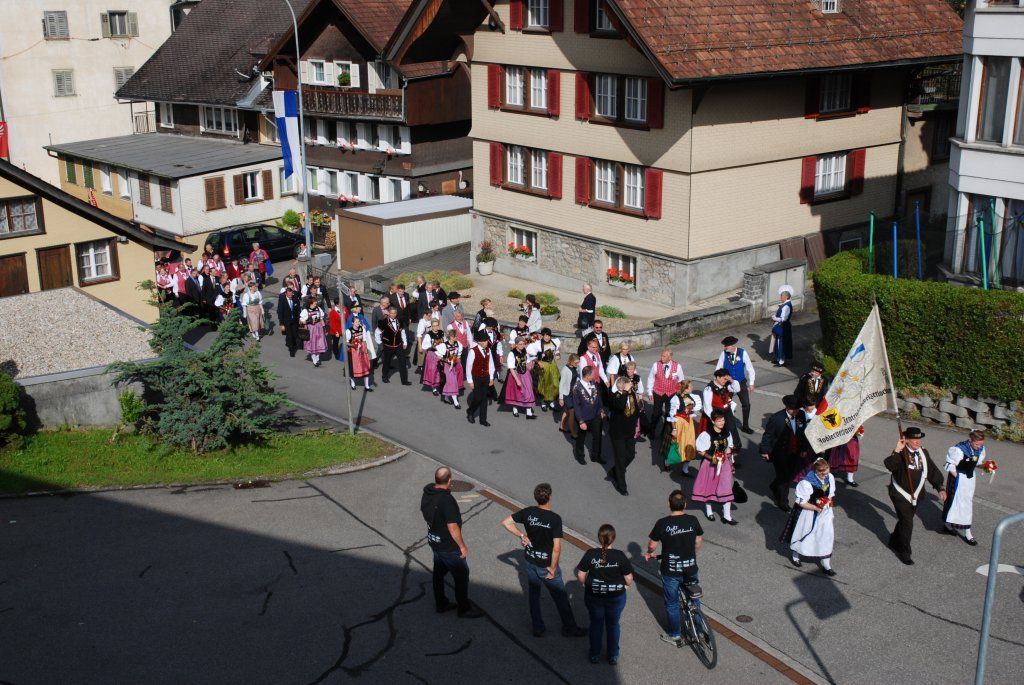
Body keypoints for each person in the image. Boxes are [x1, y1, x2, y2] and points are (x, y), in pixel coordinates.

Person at [500, 483, 587, 639]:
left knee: (534, 594)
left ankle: (538, 627)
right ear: (550, 497)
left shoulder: (528, 512)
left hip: (530, 561)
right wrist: (553, 568)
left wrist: (521, 535)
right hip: (546, 565)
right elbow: (557, 547)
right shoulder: (554, 519)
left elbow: (506, 522)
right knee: (560, 596)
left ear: (536, 497)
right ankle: (569, 627)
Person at [420, 466, 484, 618]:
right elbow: (453, 527)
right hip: (448, 546)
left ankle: (441, 603)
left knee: (439, 573)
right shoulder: (446, 500)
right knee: (462, 575)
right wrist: (462, 546)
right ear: (449, 481)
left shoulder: (428, 493)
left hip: (434, 541)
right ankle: (464, 609)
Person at [645, 490, 704, 644]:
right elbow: (698, 541)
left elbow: (652, 545)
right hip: (690, 567)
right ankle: (699, 629)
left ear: (668, 504)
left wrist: (649, 552)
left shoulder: (663, 523)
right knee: (694, 598)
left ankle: (675, 635)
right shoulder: (692, 520)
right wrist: (692, 554)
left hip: (670, 570)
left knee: (672, 603)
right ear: (685, 504)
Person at [884, 427, 947, 565]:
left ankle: (894, 540)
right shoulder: (900, 453)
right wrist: (896, 450)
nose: (918, 442)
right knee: (908, 523)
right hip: (900, 495)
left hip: (917, 494)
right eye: (914, 439)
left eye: (919, 439)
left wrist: (940, 487)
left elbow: (932, 470)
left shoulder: (923, 452)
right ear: (906, 440)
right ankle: (904, 552)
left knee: (904, 521)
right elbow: (889, 465)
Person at [575, 524, 633, 665]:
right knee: (613, 625)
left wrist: (584, 584)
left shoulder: (590, 554)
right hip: (616, 597)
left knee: (596, 624)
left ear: (599, 538)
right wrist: (625, 587)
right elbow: (629, 578)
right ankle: (612, 655)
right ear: (613, 538)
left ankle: (594, 654)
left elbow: (580, 573)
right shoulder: (620, 556)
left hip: (594, 596)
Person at [782, 457, 837, 576]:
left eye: (827, 472)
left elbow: (830, 495)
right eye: (823, 474)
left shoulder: (830, 477)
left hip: (825, 513)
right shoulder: (806, 483)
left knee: (826, 536)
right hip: (808, 513)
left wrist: (828, 508)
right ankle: (796, 555)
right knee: (804, 534)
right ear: (816, 471)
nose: (826, 476)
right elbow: (801, 502)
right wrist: (817, 508)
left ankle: (826, 564)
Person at [760, 395, 809, 511]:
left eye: (797, 408)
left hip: (795, 451)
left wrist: (803, 449)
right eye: (793, 408)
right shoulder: (776, 418)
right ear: (787, 407)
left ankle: (774, 485)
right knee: (784, 479)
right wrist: (765, 451)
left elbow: (802, 434)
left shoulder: (801, 415)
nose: (795, 411)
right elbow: (768, 436)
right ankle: (783, 502)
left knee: (790, 475)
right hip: (780, 453)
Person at [692, 409, 737, 524]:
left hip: (725, 463)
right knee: (710, 487)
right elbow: (700, 451)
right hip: (710, 464)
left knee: (726, 486)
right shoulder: (706, 434)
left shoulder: (727, 432)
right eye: (719, 421)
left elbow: (729, 448)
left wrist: (731, 460)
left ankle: (727, 515)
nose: (722, 422)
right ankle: (709, 511)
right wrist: (712, 458)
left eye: (723, 420)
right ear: (713, 421)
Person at [942, 430, 986, 546]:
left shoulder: (980, 449)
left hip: (970, 479)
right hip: (958, 478)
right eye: (977, 444)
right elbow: (949, 464)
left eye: (981, 444)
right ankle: (949, 525)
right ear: (970, 440)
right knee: (954, 502)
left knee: (967, 503)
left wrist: (986, 466)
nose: (979, 447)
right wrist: (958, 477)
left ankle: (967, 531)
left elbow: (976, 463)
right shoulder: (959, 449)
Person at [607, 377, 640, 495]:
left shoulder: (630, 395)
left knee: (630, 455)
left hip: (629, 431)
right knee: (620, 459)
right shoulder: (614, 396)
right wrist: (625, 392)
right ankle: (622, 486)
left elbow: (635, 411)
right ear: (622, 386)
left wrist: (636, 426)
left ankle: (615, 471)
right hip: (618, 433)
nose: (631, 387)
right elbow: (620, 406)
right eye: (628, 385)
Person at [716, 336, 756, 434]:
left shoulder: (743, 352)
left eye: (726, 346)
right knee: (724, 405)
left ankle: (745, 426)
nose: (725, 348)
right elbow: (718, 369)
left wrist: (751, 383)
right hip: (728, 384)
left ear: (732, 346)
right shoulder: (723, 354)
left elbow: (750, 369)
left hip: (741, 383)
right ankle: (722, 425)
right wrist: (719, 382)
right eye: (725, 346)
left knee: (746, 404)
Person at [661, 380, 702, 475]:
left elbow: (692, 409)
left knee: (690, 444)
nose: (692, 387)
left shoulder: (691, 396)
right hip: (679, 424)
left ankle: (685, 469)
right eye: (690, 386)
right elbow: (673, 415)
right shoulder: (675, 399)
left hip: (688, 423)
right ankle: (667, 461)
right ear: (685, 389)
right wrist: (674, 429)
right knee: (676, 445)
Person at [647, 348, 686, 440]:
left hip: (671, 394)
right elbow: (651, 378)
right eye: (661, 355)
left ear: (669, 357)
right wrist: (649, 392)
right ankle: (651, 431)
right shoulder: (656, 365)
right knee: (657, 413)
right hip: (658, 392)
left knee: (669, 414)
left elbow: (681, 381)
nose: (662, 358)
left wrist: (678, 393)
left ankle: (664, 433)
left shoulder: (677, 366)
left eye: (664, 356)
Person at [701, 369, 742, 452]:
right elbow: (707, 406)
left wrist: (731, 380)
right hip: (716, 414)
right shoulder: (709, 389)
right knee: (718, 435)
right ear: (718, 377)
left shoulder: (726, 385)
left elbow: (737, 389)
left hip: (727, 413)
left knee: (731, 431)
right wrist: (714, 419)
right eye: (724, 378)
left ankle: (731, 455)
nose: (725, 381)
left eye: (726, 379)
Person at [572, 366, 605, 464]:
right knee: (581, 438)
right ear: (587, 375)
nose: (594, 375)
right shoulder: (577, 388)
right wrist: (581, 421)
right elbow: (576, 406)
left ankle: (596, 456)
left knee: (597, 436)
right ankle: (580, 456)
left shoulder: (593, 383)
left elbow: (598, 398)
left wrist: (601, 410)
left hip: (595, 415)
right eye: (593, 374)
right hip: (583, 417)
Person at [465, 330, 495, 427]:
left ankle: (483, 420)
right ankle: (470, 411)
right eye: (486, 341)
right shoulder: (473, 351)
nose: (487, 342)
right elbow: (468, 367)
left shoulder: (488, 350)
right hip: (476, 377)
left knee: (484, 399)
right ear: (481, 342)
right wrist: (470, 381)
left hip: (485, 377)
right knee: (478, 398)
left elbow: (491, 365)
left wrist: (491, 378)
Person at [502, 336, 537, 419]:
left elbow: (527, 361)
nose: (522, 346)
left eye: (523, 344)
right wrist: (517, 380)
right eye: (520, 344)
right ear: (516, 345)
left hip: (525, 374)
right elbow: (511, 368)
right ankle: (515, 409)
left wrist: (534, 362)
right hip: (516, 375)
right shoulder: (512, 353)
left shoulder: (524, 351)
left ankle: (529, 413)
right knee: (516, 393)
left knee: (529, 392)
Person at [374, 306, 410, 384]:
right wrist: (380, 342)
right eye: (391, 313)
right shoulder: (383, 322)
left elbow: (402, 332)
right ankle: (385, 377)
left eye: (394, 313)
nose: (393, 315)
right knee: (387, 362)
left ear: (396, 313)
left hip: (398, 345)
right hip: (388, 346)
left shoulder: (400, 321)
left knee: (403, 362)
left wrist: (405, 342)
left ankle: (404, 381)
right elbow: (377, 332)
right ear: (389, 313)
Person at [528, 328, 561, 411]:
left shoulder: (554, 342)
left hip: (552, 365)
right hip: (543, 366)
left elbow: (556, 350)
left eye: (548, 335)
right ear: (542, 336)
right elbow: (531, 355)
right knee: (543, 384)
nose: (547, 337)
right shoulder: (538, 344)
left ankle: (551, 400)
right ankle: (543, 401)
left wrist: (557, 355)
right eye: (545, 335)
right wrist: (538, 362)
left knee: (554, 383)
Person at [345, 314, 374, 390]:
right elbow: (346, 342)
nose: (358, 323)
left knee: (365, 368)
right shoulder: (349, 331)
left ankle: (367, 386)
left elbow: (364, 339)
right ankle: (353, 384)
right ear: (352, 323)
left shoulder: (362, 329)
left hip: (362, 350)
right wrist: (353, 345)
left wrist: (364, 348)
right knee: (353, 369)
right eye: (356, 322)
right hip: (353, 351)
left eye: (358, 322)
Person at [299, 297, 328, 367]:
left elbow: (321, 319)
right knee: (313, 344)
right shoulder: (305, 311)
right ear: (310, 303)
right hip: (311, 328)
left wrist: (325, 328)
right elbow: (301, 321)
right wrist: (307, 322)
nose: (316, 303)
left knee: (320, 343)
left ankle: (317, 358)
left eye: (316, 302)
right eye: (315, 302)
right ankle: (315, 360)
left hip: (319, 328)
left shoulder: (318, 309)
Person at [420, 319, 446, 396]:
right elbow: (424, 346)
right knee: (434, 371)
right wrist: (433, 345)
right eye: (433, 326)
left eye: (436, 325)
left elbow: (445, 342)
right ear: (431, 326)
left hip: (441, 354)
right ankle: (434, 387)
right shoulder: (429, 335)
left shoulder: (441, 333)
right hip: (432, 354)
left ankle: (441, 385)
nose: (435, 327)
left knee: (441, 370)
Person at [440, 330, 465, 407]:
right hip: (447, 366)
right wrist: (447, 360)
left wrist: (458, 363)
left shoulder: (458, 344)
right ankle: (456, 402)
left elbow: (458, 356)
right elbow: (439, 356)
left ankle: (446, 397)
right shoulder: (444, 345)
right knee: (452, 381)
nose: (456, 338)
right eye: (455, 336)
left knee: (452, 382)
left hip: (455, 365)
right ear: (451, 337)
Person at [771, 286, 794, 366]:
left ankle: (781, 361)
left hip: (783, 327)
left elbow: (783, 318)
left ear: (786, 296)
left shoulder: (786, 306)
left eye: (781, 295)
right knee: (779, 342)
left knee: (781, 343)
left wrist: (774, 318)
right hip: (783, 327)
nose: (780, 297)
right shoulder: (785, 305)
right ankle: (778, 359)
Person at [558, 354, 580, 435]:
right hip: (566, 394)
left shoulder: (575, 368)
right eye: (576, 363)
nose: (577, 364)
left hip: (573, 392)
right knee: (572, 411)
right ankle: (573, 432)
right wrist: (561, 398)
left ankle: (561, 426)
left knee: (567, 411)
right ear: (570, 361)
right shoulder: (565, 370)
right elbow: (561, 384)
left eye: (578, 363)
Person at [277, 284, 301, 357]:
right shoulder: (282, 300)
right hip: (286, 321)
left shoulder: (295, 298)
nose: (291, 296)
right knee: (290, 336)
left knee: (295, 335)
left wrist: (300, 318)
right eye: (289, 295)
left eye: (291, 294)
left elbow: (298, 309)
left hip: (295, 321)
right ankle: (291, 351)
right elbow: (280, 312)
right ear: (286, 294)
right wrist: (281, 324)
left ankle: (291, 343)